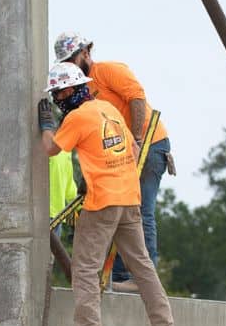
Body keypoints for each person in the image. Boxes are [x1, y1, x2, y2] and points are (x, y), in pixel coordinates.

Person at [38, 62, 174, 326]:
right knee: (143, 267)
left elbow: (51, 149)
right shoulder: (108, 109)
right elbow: (134, 150)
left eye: (58, 96)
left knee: (85, 268)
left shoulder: (77, 118)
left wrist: (47, 126)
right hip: (129, 197)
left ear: (72, 90)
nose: (57, 102)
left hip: (102, 201)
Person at [53, 32, 173, 293]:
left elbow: (137, 97)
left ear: (85, 53)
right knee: (121, 211)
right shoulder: (82, 92)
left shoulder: (107, 71)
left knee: (140, 210)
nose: (69, 67)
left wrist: (139, 139)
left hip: (149, 144)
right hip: (121, 151)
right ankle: (121, 277)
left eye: (72, 60)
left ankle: (141, 277)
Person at [49, 150, 77, 241]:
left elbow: (69, 183)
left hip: (58, 216)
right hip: (41, 214)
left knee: (51, 254)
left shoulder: (67, 150)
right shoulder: (45, 142)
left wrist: (81, 206)